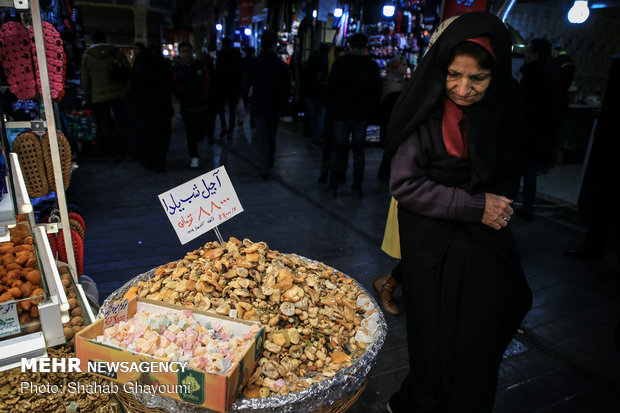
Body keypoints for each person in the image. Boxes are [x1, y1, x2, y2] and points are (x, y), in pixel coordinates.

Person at [383, 12, 532, 412]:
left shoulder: (505, 108)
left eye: (477, 79)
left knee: (492, 317)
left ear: (495, 76)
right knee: (434, 335)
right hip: (430, 244)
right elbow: (405, 184)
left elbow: (508, 171)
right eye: (454, 75)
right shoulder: (424, 111)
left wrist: (492, 206)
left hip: (480, 238)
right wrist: (473, 205)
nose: (463, 89)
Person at [325, 33, 381, 198]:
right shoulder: (371, 65)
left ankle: (333, 185)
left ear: (349, 45)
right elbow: (376, 92)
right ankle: (357, 187)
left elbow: (331, 88)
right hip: (361, 114)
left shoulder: (340, 63)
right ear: (365, 46)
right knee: (358, 152)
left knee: (337, 150)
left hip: (341, 112)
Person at [243, 30, 292, 180]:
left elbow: (246, 84)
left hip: (259, 104)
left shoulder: (254, 63)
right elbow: (287, 88)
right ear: (274, 45)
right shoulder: (281, 65)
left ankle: (264, 167)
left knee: (262, 137)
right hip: (275, 106)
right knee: (271, 136)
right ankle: (269, 162)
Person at [515, 38, 554, 222]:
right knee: (529, 171)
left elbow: (525, 107)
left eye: (529, 51)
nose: (525, 55)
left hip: (527, 132)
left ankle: (507, 204)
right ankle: (526, 206)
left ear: (535, 53)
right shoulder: (548, 75)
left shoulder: (532, 76)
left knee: (517, 170)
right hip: (538, 132)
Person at [81, 30, 131, 162]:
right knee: (122, 123)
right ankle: (128, 151)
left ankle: (112, 154)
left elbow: (85, 80)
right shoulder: (114, 51)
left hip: (98, 96)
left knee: (105, 125)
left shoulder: (87, 56)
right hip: (118, 93)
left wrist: (88, 98)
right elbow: (126, 68)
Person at [126, 43, 173, 172]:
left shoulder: (140, 68)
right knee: (160, 138)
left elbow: (133, 90)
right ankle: (158, 162)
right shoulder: (161, 67)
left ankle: (150, 161)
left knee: (147, 138)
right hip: (160, 109)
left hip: (145, 110)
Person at [171, 41, 212, 169]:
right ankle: (194, 156)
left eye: (188, 51)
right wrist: (181, 96)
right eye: (183, 52)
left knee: (202, 131)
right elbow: (174, 86)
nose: (186, 54)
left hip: (203, 105)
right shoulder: (176, 69)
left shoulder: (200, 66)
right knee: (191, 132)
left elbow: (209, 82)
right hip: (187, 106)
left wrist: (206, 96)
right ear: (180, 53)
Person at [377, 55, 409, 181]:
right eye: (403, 65)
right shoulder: (397, 84)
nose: (405, 68)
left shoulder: (388, 83)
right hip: (391, 120)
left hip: (393, 121)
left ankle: (386, 170)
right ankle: (386, 170)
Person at [318, 45, 345, 183]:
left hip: (335, 114)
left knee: (333, 146)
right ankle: (331, 173)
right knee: (333, 146)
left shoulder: (330, 71)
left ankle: (330, 173)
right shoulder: (330, 71)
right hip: (336, 114)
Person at [302, 43, 330, 148]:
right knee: (320, 118)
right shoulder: (328, 62)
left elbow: (305, 77)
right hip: (322, 95)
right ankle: (316, 140)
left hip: (310, 93)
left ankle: (313, 137)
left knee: (312, 118)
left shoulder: (312, 60)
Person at [215, 37, 243, 140]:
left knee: (221, 107)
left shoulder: (220, 55)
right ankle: (230, 130)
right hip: (233, 85)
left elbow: (217, 71)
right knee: (232, 109)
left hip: (222, 85)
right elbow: (240, 72)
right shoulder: (236, 55)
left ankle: (224, 126)